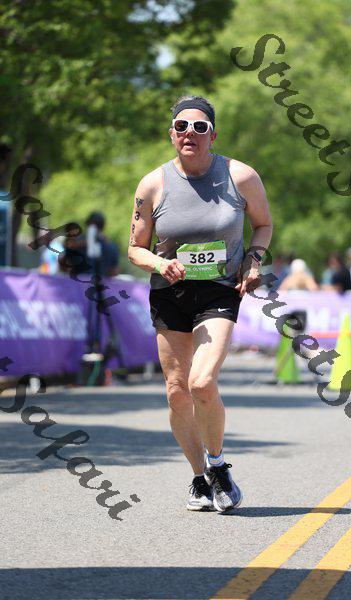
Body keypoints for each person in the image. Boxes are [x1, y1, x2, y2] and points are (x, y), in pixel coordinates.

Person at [127, 95, 272, 512]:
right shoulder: (152, 185)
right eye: (181, 127)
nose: (189, 133)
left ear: (213, 135)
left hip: (219, 290)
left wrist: (253, 260)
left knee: (202, 383)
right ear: (171, 135)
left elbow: (263, 224)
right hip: (170, 293)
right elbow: (135, 248)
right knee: (177, 392)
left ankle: (218, 465)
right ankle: (199, 478)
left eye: (199, 127)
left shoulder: (240, 176)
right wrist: (160, 262)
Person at [60, 211, 120, 279]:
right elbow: (114, 272)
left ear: (89, 224)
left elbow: (64, 266)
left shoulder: (77, 244)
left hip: (79, 283)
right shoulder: (112, 246)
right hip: (101, 284)